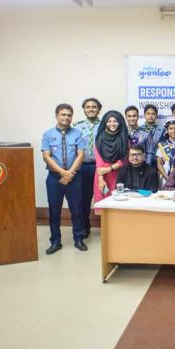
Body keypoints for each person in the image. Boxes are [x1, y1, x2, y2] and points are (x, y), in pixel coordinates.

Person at [41, 104, 87, 254]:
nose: (66, 117)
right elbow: (46, 156)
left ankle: (78, 239)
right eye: (63, 114)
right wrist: (62, 173)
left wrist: (70, 173)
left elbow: (81, 155)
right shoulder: (48, 134)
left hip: (75, 178)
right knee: (54, 211)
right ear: (57, 116)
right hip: (54, 179)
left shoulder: (78, 134)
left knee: (77, 210)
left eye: (69, 115)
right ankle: (55, 241)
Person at [73, 97, 101, 240]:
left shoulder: (105, 125)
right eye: (88, 107)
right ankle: (85, 227)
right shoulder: (77, 127)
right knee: (84, 198)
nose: (91, 109)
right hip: (83, 167)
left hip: (100, 167)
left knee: (103, 196)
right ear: (84, 110)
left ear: (99, 109)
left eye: (94, 107)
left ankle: (107, 227)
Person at [93, 110, 129, 212]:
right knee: (103, 200)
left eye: (115, 121)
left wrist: (109, 169)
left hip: (119, 174)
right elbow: (99, 161)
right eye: (109, 121)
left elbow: (125, 159)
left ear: (120, 122)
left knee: (119, 202)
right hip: (102, 175)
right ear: (105, 122)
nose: (112, 124)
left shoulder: (124, 138)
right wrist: (101, 178)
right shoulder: (99, 138)